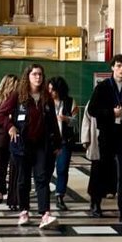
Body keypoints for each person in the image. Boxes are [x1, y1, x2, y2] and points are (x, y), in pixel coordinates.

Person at [4, 64, 61, 228]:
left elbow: (52, 123)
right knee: (23, 179)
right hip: (22, 145)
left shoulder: (46, 98)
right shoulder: (18, 96)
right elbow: (1, 114)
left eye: (41, 74)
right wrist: (10, 126)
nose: (38, 77)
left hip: (41, 145)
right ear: (28, 76)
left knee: (42, 177)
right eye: (35, 74)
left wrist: (57, 142)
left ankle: (45, 214)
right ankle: (24, 211)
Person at [87, 55, 122, 223]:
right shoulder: (103, 87)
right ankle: (95, 202)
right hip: (107, 133)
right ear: (112, 67)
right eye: (118, 66)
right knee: (102, 168)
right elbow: (93, 110)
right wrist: (111, 113)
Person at [48, 76, 78, 212]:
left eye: (53, 90)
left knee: (62, 168)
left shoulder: (70, 102)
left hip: (64, 141)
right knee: (45, 168)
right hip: (48, 141)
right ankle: (43, 191)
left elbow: (75, 121)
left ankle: (60, 195)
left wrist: (66, 119)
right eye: (48, 89)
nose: (50, 92)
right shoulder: (45, 102)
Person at [0, 74, 19, 205]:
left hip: (15, 138)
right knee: (0, 168)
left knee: (14, 167)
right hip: (0, 138)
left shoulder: (17, 100)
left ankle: (12, 194)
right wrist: (9, 120)